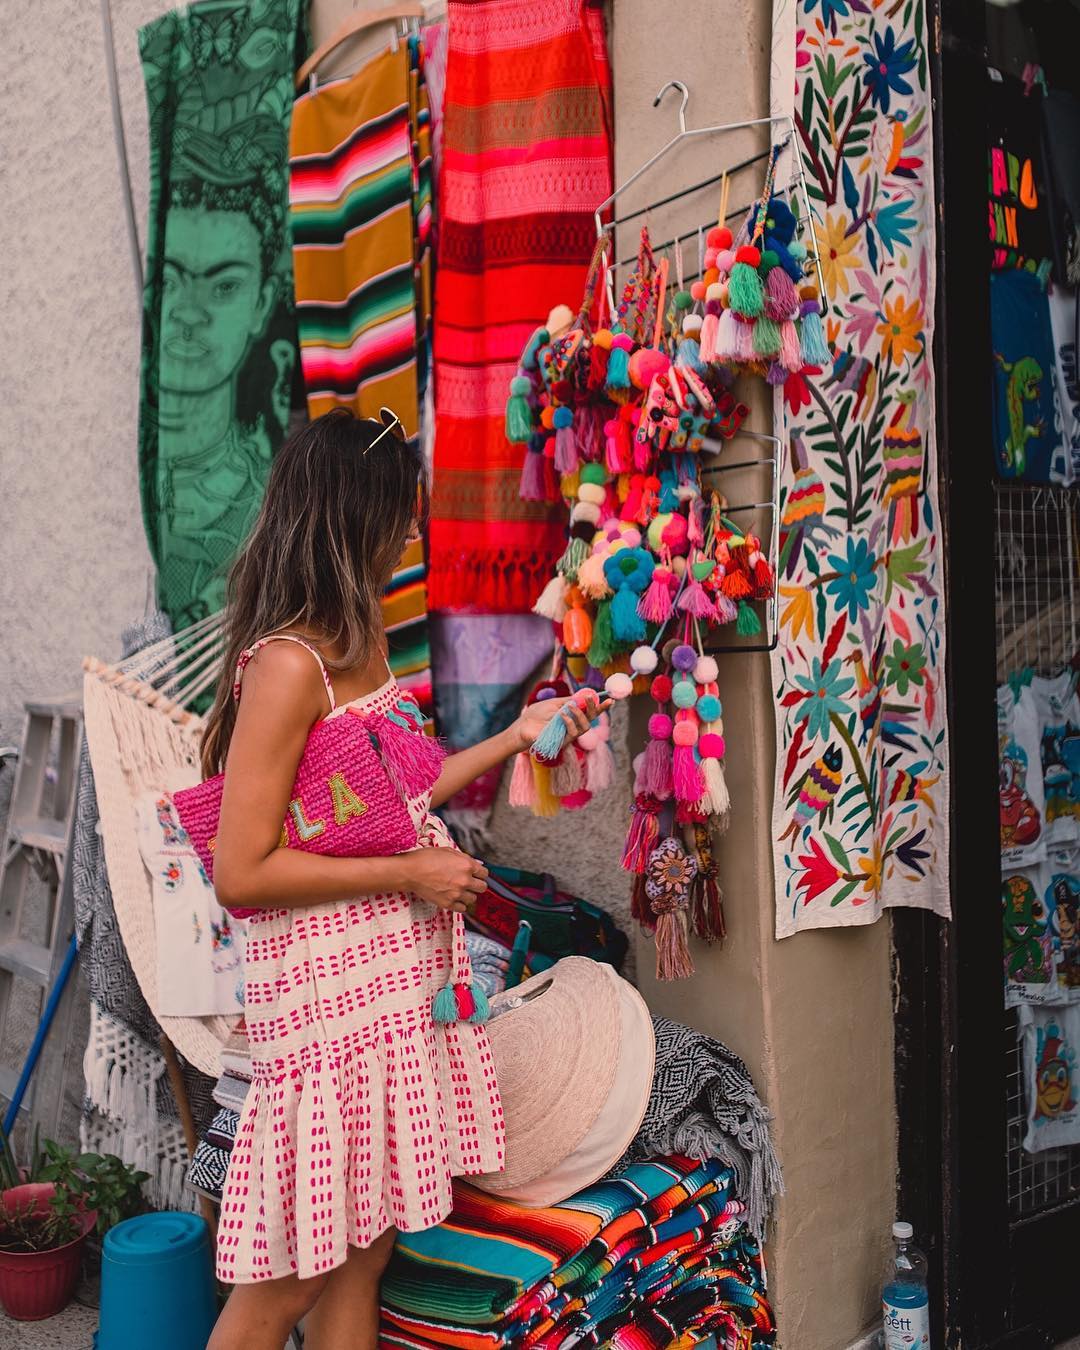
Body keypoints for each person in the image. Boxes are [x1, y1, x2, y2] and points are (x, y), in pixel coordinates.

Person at [202, 408, 601, 1350]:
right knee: (288, 1281)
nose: (416, 532)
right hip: (324, 1009)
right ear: (354, 518)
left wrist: (512, 737)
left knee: (364, 1250)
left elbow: (405, 791)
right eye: (402, 513)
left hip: (388, 993)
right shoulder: (289, 668)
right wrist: (411, 871)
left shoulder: (363, 644)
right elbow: (239, 869)